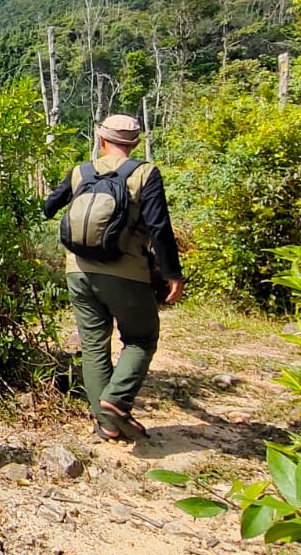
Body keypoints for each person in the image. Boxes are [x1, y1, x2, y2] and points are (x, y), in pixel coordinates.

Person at [43, 114, 184, 442]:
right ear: (134, 144)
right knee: (141, 339)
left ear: (101, 139)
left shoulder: (81, 172)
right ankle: (116, 400)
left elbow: (49, 206)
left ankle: (105, 423)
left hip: (78, 271)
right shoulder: (144, 173)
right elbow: (159, 227)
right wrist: (172, 273)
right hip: (126, 273)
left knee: (93, 345)